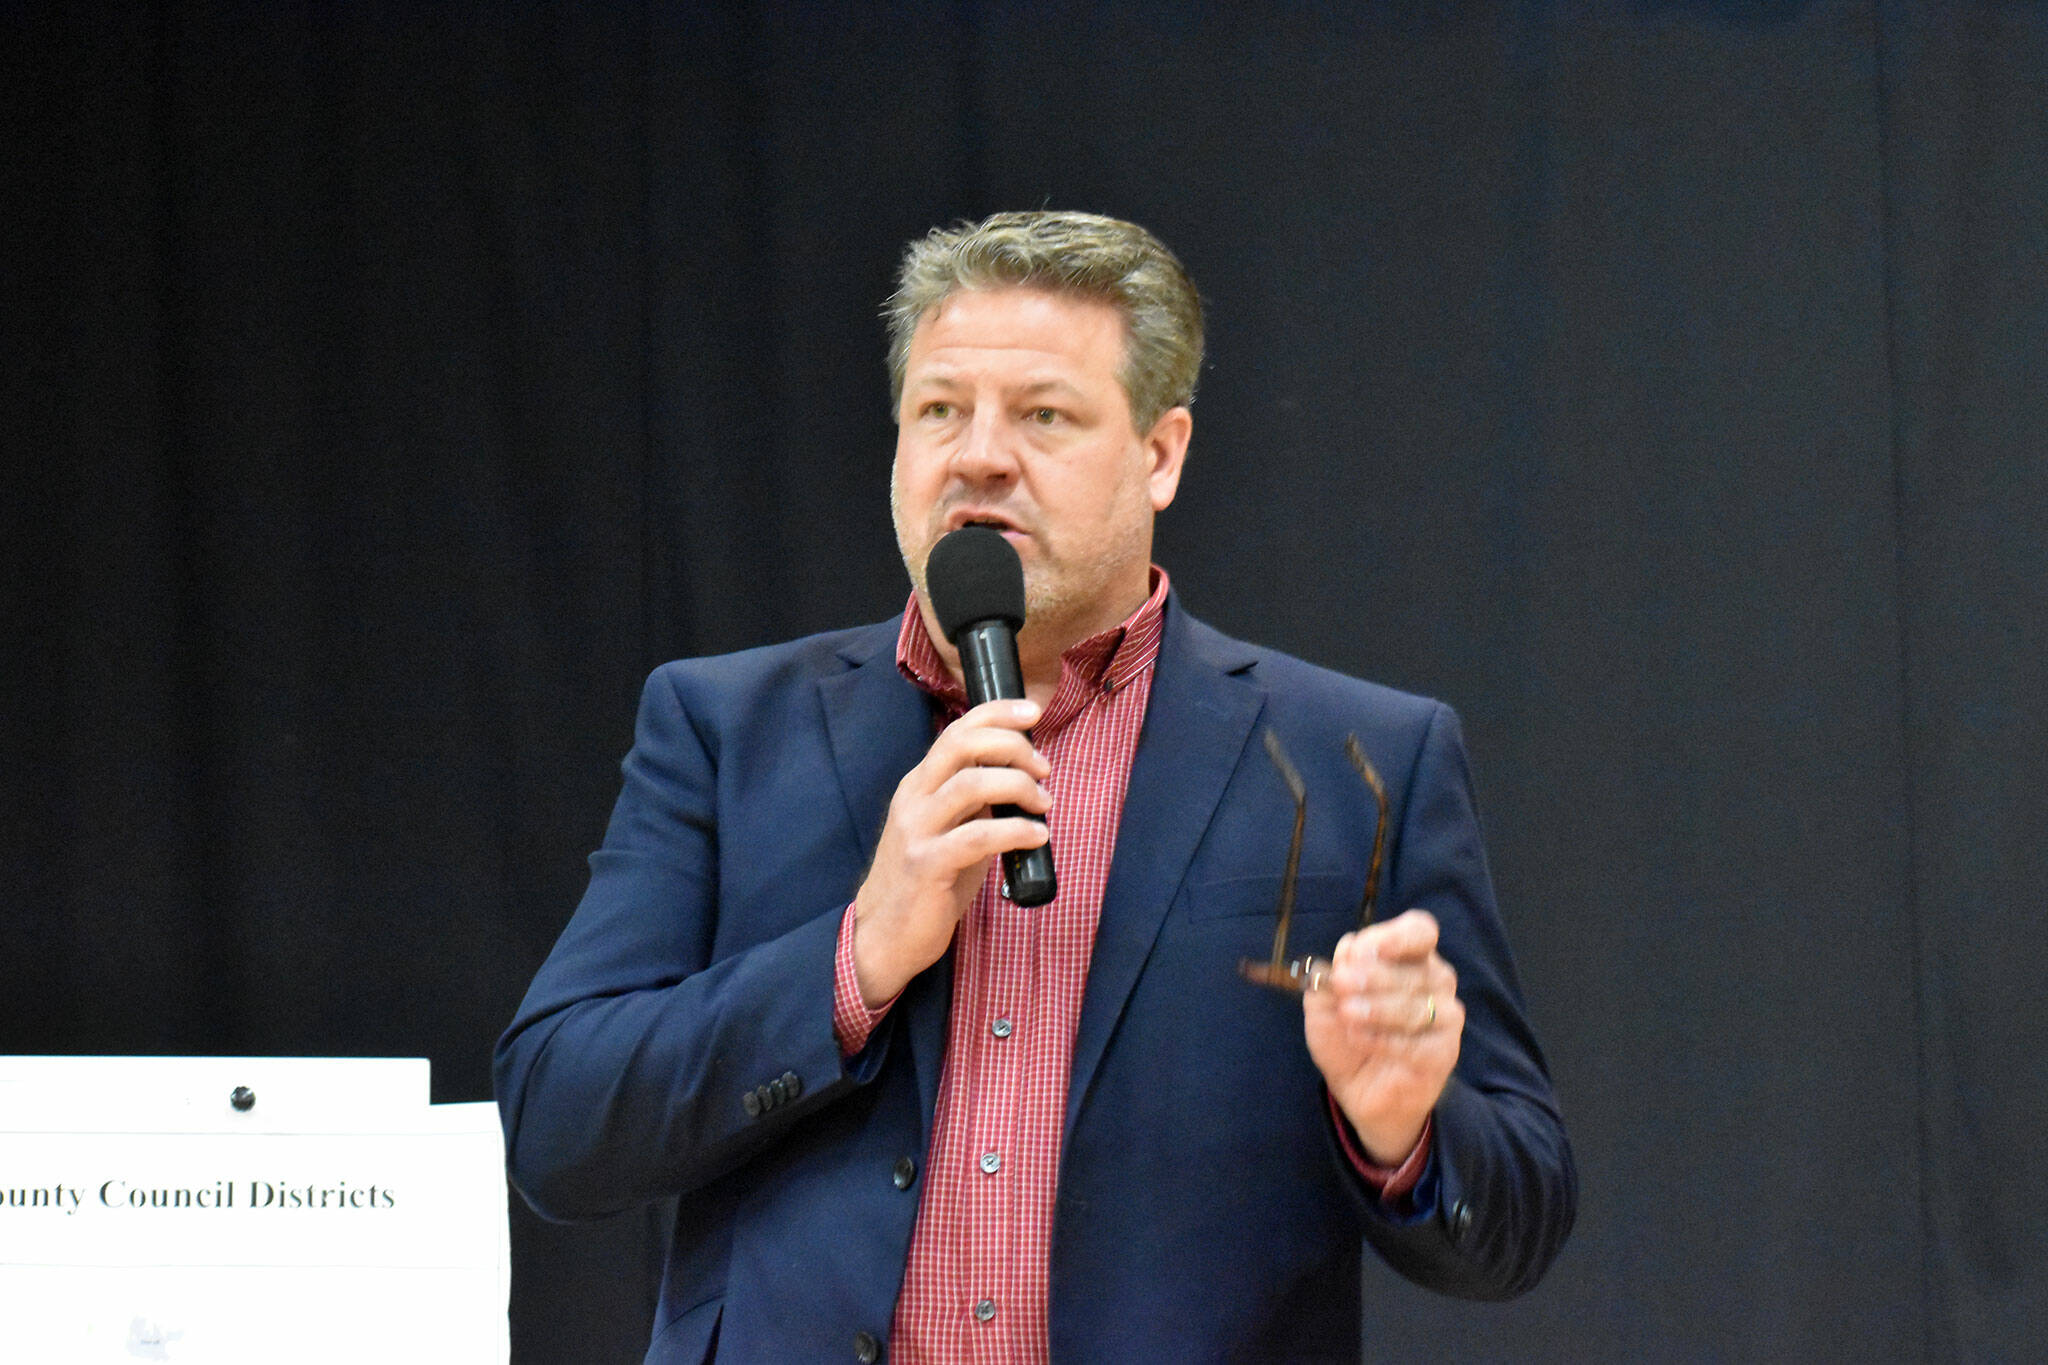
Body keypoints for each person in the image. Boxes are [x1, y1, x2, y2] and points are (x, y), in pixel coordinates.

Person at [494, 211, 1575, 1363]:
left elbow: (1518, 1217)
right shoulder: (724, 726)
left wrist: (1400, 1127)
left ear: (1160, 453)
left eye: (1042, 414)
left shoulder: (1357, 757)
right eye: (938, 410)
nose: (978, 456)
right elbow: (558, 1126)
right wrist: (854, 960)